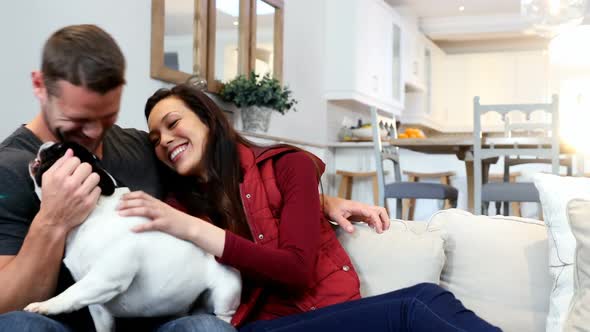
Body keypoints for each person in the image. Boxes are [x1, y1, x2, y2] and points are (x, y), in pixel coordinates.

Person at [0, 24, 388, 332]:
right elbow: (6, 302)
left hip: (170, 319)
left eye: (108, 117)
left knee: (207, 328)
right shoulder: (11, 167)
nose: (95, 133)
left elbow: (221, 186)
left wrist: (316, 201)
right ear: (39, 86)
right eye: (79, 121)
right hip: (75, 321)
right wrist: (52, 219)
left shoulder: (145, 149)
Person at [116, 83, 502, 332]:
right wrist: (184, 224)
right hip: (257, 326)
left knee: (426, 301)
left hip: (326, 313)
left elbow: (296, 269)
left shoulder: (290, 166)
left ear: (209, 121)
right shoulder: (177, 206)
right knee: (417, 303)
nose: (164, 140)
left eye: (172, 124)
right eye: (154, 138)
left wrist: (316, 202)